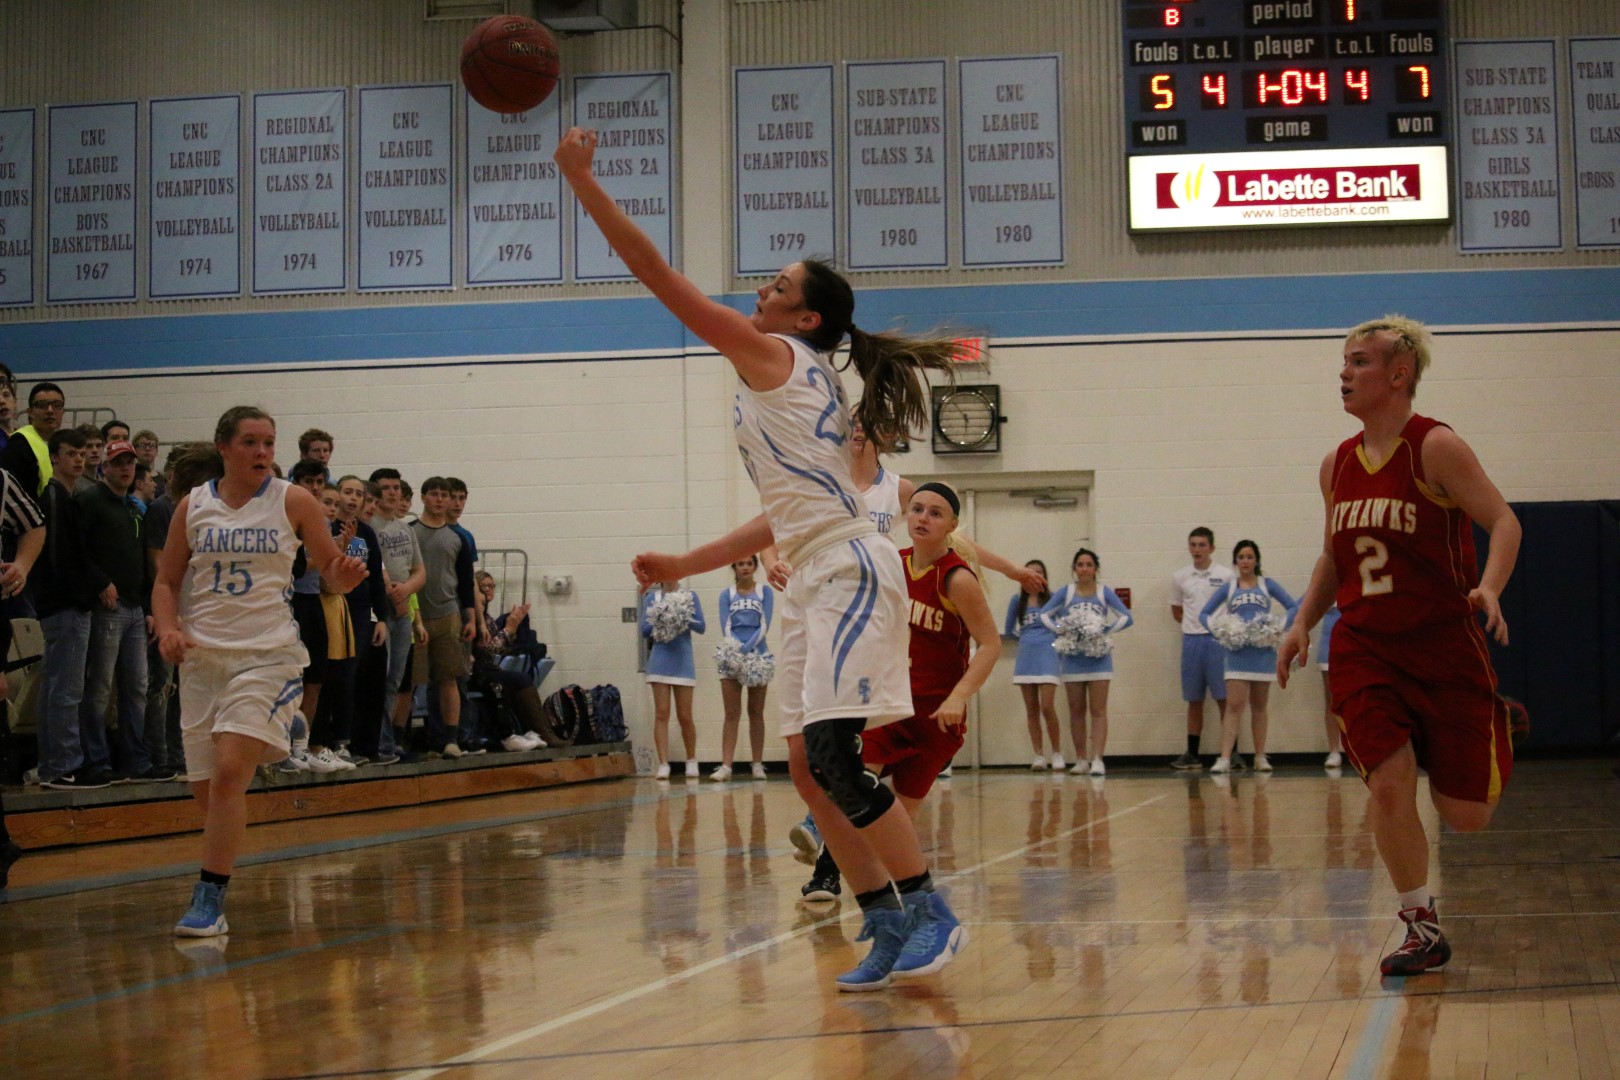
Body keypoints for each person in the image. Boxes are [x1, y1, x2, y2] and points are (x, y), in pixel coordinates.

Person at [558, 123, 968, 990]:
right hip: (816, 569)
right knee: (809, 772)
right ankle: (882, 918)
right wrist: (685, 563)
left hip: (848, 569)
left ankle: (932, 912)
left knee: (836, 758)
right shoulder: (802, 375)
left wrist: (583, 181)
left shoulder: (776, 355)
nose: (760, 290)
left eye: (777, 286)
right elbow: (780, 517)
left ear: (804, 319)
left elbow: (658, 279)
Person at [1278, 315, 1522, 977]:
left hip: (1442, 645)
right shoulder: (1335, 464)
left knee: (1465, 817)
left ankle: (1495, 721)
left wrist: (1489, 587)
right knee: (1388, 786)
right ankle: (1422, 927)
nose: (1344, 372)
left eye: (1359, 361)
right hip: (1364, 645)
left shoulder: (1435, 447)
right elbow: (1335, 556)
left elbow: (1504, 521)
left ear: (1398, 374)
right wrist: (1302, 622)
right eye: (1344, 361)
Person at [154, 406, 366, 937]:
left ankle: (209, 897)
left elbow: (330, 573)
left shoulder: (293, 500)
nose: (263, 452)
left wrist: (343, 575)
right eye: (250, 442)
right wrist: (168, 628)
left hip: (267, 655)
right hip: (203, 660)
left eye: (269, 442)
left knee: (230, 772)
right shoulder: (192, 506)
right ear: (224, 447)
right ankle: (273, 736)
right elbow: (166, 581)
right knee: (209, 796)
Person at [800, 483, 1001, 904]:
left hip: (935, 719)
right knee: (856, 782)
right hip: (890, 705)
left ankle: (891, 893)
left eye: (935, 513)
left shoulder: (956, 578)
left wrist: (959, 696)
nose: (923, 518)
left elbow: (990, 644)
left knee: (896, 817)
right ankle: (825, 870)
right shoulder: (891, 562)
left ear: (952, 524)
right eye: (917, 509)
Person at [33, 429, 106, 789]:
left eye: (82, 453)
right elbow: (59, 557)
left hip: (61, 606)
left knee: (54, 687)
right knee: (65, 689)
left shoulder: (65, 498)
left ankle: (52, 764)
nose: (79, 459)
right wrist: (82, 596)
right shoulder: (54, 499)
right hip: (65, 607)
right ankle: (63, 765)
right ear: (54, 458)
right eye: (71, 453)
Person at [1200, 540, 1298, 774]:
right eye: (1241, 557)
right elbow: (1204, 614)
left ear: (1256, 560)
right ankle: (1224, 757)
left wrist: (1278, 627)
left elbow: (1293, 607)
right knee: (1234, 706)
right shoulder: (1229, 588)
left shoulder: (1267, 584)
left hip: (1262, 653)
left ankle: (1260, 756)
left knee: (1260, 706)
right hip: (1237, 653)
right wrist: (1221, 631)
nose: (1245, 561)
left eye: (1249, 557)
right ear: (1235, 561)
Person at [1038, 548, 1133, 776]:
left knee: (1098, 710)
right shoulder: (1066, 592)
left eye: (1089, 564)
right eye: (1080, 564)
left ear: (1096, 569)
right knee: (1076, 710)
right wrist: (1062, 630)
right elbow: (1044, 615)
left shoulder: (1104, 592)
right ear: (1074, 568)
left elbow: (1126, 617)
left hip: (1099, 659)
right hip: (1073, 659)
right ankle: (1081, 759)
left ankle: (1098, 759)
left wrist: (1105, 630)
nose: (1084, 568)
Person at [1168, 527, 1232, 770]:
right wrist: (1193, 626)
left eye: (1202, 545)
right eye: (1193, 545)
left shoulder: (1225, 575)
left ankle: (1231, 753)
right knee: (1194, 699)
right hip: (1192, 641)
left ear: (1211, 548)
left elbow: (1232, 607)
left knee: (1224, 699)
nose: (1197, 550)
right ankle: (1192, 754)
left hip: (1217, 641)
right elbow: (1176, 611)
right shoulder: (1180, 577)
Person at [713, 555, 773, 781]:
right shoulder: (726, 595)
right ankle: (726, 766)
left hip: (758, 656)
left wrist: (749, 648)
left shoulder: (765, 592)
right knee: (731, 713)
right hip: (732, 656)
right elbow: (726, 625)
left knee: (756, 712)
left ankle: (757, 764)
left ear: (755, 566)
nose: (745, 567)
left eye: (749, 563)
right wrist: (738, 650)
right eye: (741, 564)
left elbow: (765, 624)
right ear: (734, 567)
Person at [640, 579, 705, 779]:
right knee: (662, 713)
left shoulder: (690, 596)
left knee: (685, 715)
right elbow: (644, 630)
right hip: (660, 659)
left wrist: (682, 615)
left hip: (683, 660)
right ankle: (663, 763)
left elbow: (701, 626)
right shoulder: (652, 598)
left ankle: (691, 760)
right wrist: (660, 616)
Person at [1004, 560, 1062, 770]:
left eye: (1039, 572)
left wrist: (1050, 638)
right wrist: (1027, 638)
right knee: (1031, 709)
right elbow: (1009, 630)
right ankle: (1038, 755)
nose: (1035, 576)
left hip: (1048, 655)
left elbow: (1063, 625)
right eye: (1030, 572)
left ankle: (1057, 753)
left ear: (1044, 576)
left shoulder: (1054, 599)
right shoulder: (1017, 601)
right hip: (1026, 657)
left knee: (1047, 706)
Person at [0, 382, 67, 497]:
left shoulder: (63, 445)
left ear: (63, 412)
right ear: (30, 412)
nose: (50, 410)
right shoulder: (19, 445)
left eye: (57, 405)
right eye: (42, 405)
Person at [1318, 604, 1344, 769]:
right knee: (1332, 702)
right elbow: (1300, 607)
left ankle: (1360, 749)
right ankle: (1334, 751)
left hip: (1355, 647)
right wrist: (1279, 626)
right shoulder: (1326, 589)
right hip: (1327, 648)